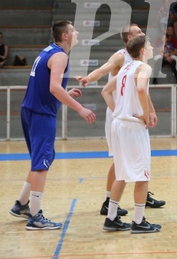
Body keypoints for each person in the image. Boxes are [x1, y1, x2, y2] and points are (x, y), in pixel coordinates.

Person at [9, 20, 96, 230]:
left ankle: (21, 204)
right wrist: (80, 108)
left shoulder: (49, 50)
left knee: (42, 159)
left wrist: (67, 92)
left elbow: (48, 84)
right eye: (73, 30)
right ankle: (35, 217)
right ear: (64, 36)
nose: (76, 32)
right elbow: (54, 88)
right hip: (40, 114)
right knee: (41, 163)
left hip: (30, 110)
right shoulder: (61, 56)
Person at [76, 24, 166, 215]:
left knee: (134, 161)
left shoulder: (138, 63)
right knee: (120, 159)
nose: (143, 34)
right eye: (138, 32)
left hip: (131, 112)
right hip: (122, 114)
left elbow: (142, 90)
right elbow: (102, 71)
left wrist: (151, 110)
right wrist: (88, 78)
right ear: (129, 39)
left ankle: (141, 194)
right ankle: (109, 201)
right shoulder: (121, 57)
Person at [101, 35, 162, 233]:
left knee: (122, 172)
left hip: (118, 124)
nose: (152, 47)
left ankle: (111, 218)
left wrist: (119, 110)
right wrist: (145, 115)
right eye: (150, 45)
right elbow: (142, 89)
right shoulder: (143, 68)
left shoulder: (125, 67)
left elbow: (105, 91)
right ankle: (138, 221)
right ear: (143, 50)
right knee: (142, 175)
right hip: (131, 127)